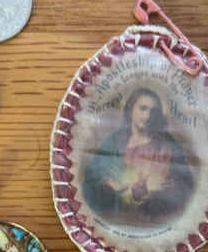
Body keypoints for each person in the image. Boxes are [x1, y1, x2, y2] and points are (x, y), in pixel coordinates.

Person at [83, 88, 194, 226]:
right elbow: (92, 181)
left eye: (153, 111)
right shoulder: (114, 141)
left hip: (154, 222)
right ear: (131, 110)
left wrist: (164, 189)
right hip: (117, 222)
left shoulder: (168, 144)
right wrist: (119, 188)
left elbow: (185, 185)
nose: (148, 116)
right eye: (143, 108)